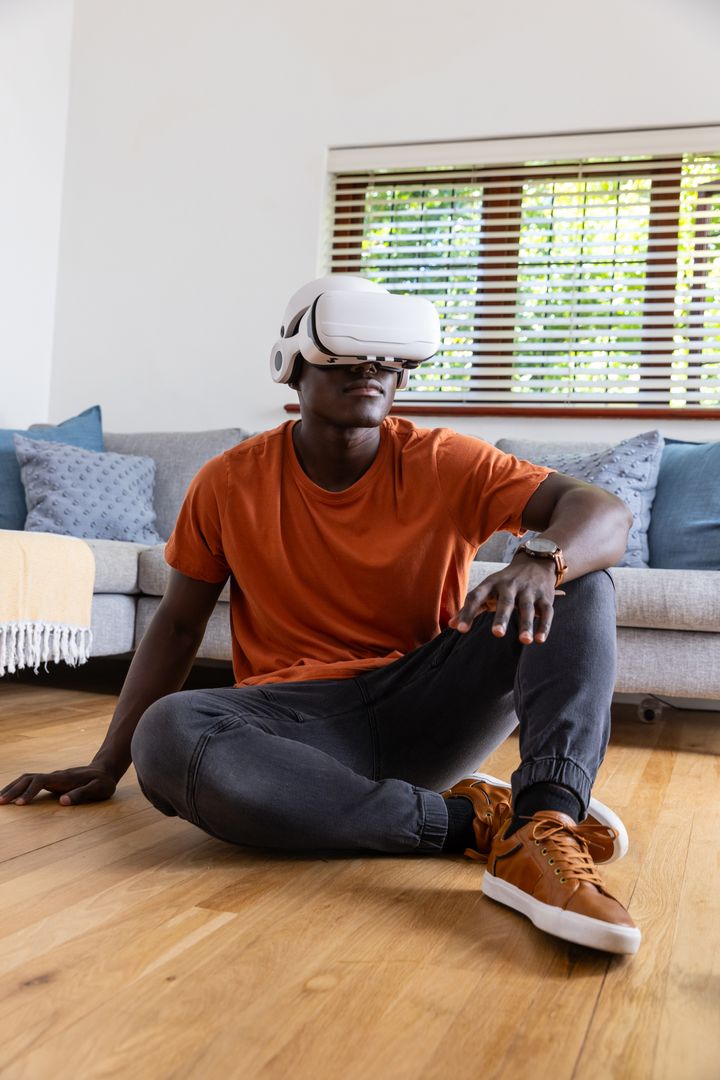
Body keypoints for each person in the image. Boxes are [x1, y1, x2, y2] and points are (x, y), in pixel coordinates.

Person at [0, 275, 641, 955]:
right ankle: (472, 824)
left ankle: (545, 824)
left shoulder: (446, 459)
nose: (369, 370)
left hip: (424, 703)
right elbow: (180, 626)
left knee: (580, 581)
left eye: (385, 361)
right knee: (167, 732)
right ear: (292, 368)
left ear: (401, 379)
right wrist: (109, 762)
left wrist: (541, 557)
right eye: (346, 356)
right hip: (299, 730)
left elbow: (605, 513)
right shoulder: (226, 481)